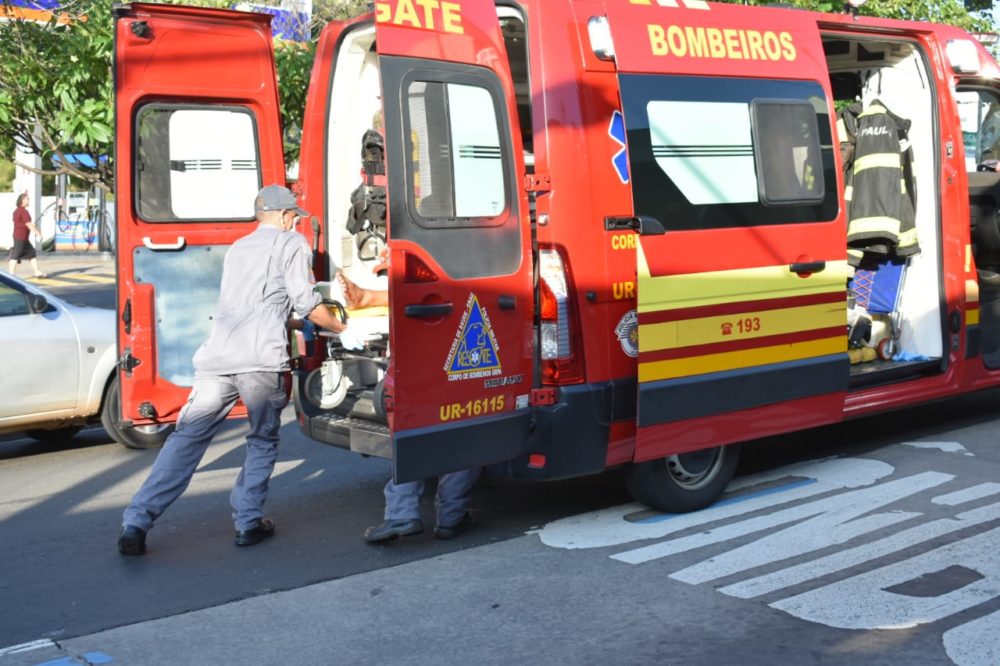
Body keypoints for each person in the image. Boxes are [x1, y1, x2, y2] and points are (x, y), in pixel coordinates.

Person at [118, 185, 364, 555]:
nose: (295, 220)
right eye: (293, 215)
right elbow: (305, 301)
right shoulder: (291, 244)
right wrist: (346, 330)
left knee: (185, 439)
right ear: (283, 216)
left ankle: (136, 521)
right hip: (260, 362)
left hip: (217, 358)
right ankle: (248, 522)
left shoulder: (238, 248)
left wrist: (296, 325)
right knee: (262, 439)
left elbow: (256, 306)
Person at [338, 274, 481, 544]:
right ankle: (450, 517)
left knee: (412, 434)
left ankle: (402, 513)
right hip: (459, 358)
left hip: (418, 362)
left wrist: (367, 296)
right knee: (464, 432)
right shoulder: (470, 262)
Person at [8, 193, 46, 278]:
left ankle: (37, 272)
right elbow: (29, 224)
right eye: (27, 199)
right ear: (22, 201)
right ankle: (10, 275)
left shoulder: (17, 211)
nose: (29, 201)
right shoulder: (23, 211)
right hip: (20, 237)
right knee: (16, 254)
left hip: (23, 237)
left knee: (31, 253)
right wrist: (38, 233)